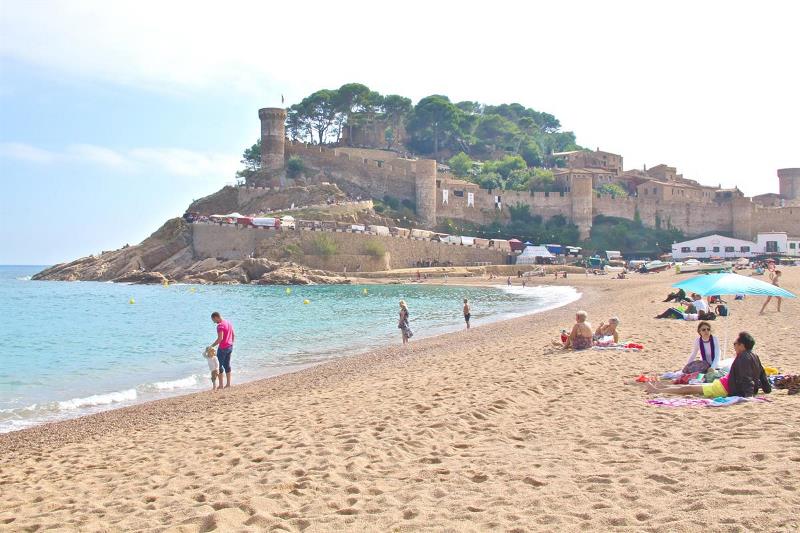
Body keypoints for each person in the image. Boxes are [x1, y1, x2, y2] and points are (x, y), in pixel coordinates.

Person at [646, 332, 771, 398]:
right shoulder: (754, 356)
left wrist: (748, 397)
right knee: (692, 386)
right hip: (723, 383)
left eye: (735, 343)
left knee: (689, 389)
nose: (734, 346)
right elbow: (762, 374)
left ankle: (657, 390)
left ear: (742, 345)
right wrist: (767, 389)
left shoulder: (743, 357)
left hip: (724, 388)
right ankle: (661, 388)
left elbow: (746, 378)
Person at [210, 312, 235, 389]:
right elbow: (233, 335)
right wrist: (231, 343)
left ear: (216, 317)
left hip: (223, 348)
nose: (214, 322)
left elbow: (220, 339)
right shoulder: (228, 323)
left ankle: (221, 385)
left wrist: (211, 346)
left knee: (219, 366)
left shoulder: (220, 326)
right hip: (230, 347)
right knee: (227, 365)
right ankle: (228, 384)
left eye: (213, 320)